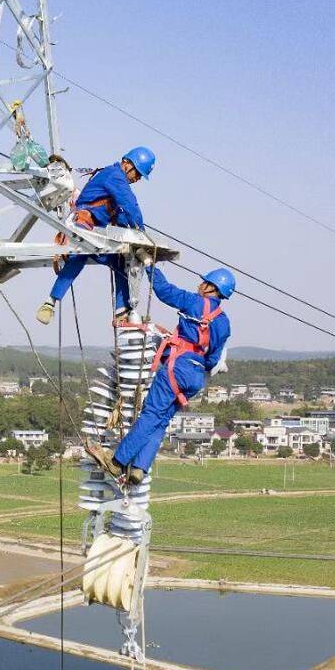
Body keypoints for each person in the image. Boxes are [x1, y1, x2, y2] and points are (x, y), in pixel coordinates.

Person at [91, 265, 234, 484]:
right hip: (196, 376)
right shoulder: (224, 322)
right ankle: (139, 468)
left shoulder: (192, 301)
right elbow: (213, 359)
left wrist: (150, 266)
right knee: (161, 420)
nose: (199, 284)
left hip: (177, 367)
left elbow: (163, 289)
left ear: (209, 287)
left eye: (203, 282)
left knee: (151, 415)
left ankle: (118, 462)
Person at [37, 146, 155, 325]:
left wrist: (132, 235)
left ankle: (123, 310)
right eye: (137, 173)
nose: (137, 179)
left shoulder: (113, 178)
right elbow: (130, 205)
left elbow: (122, 215)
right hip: (84, 223)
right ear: (127, 164)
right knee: (79, 255)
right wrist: (142, 236)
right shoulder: (115, 176)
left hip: (97, 230)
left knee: (121, 261)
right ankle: (50, 302)